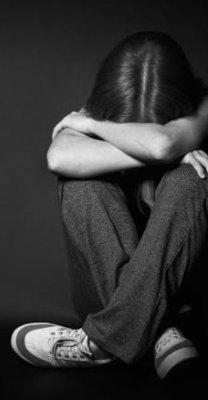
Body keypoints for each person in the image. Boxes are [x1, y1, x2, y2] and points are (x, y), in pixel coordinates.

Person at [10, 31, 208, 380]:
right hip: (107, 295)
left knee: (194, 177)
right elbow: (59, 158)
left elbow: (161, 147)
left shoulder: (203, 107)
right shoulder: (100, 109)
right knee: (80, 179)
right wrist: (164, 151)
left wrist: (89, 126)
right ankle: (159, 332)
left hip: (187, 293)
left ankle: (101, 344)